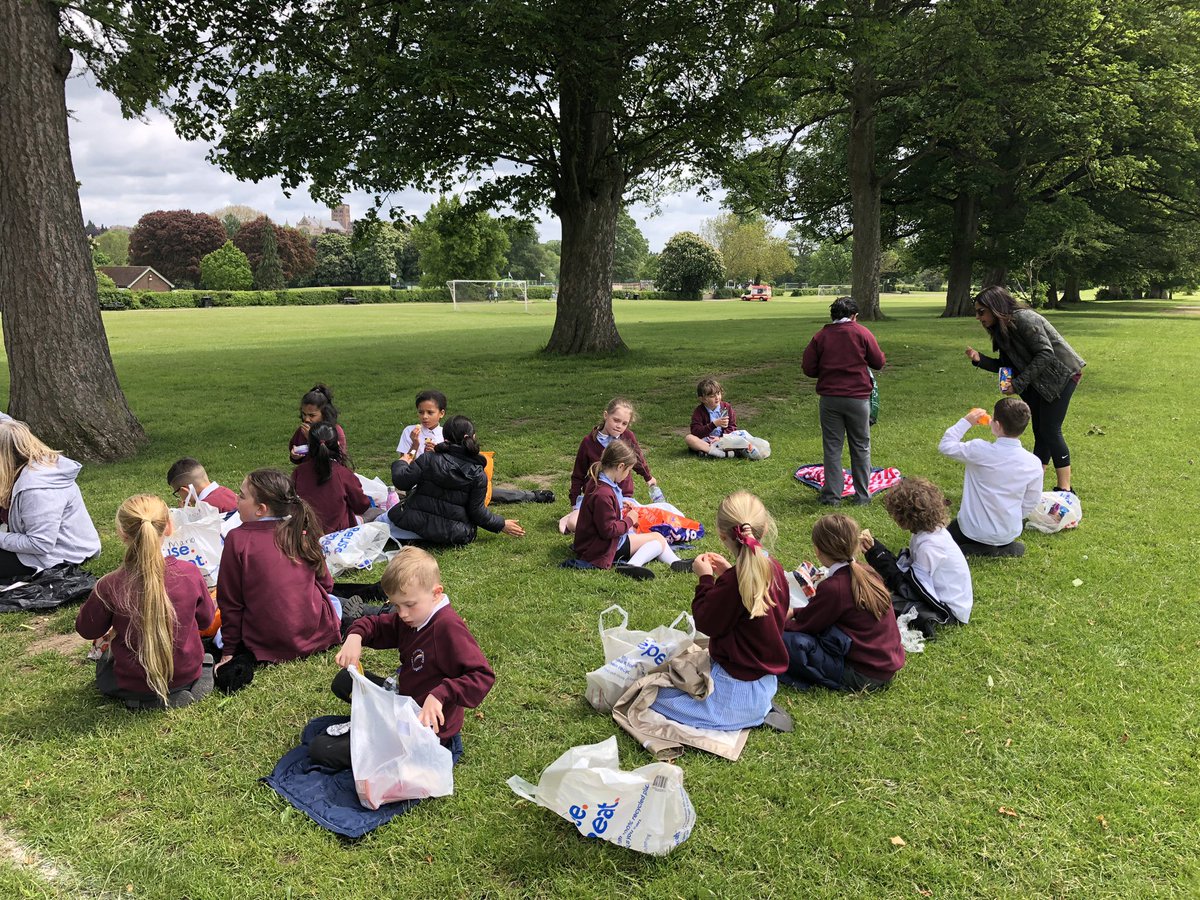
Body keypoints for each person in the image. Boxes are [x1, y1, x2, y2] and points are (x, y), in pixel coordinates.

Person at [309, 547, 495, 769]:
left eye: (409, 605)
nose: (402, 613)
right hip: (404, 698)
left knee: (322, 749)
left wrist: (441, 694)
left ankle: (385, 741)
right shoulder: (413, 617)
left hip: (423, 725)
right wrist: (355, 636)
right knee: (344, 681)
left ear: (436, 593)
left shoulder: (447, 628)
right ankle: (378, 724)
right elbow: (376, 625)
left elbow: (481, 675)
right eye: (396, 605)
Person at [649, 491, 789, 730]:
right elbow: (747, 601)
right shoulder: (773, 568)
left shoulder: (734, 582)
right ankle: (758, 710)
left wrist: (705, 579)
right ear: (764, 529)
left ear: (723, 536)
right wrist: (726, 574)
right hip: (764, 685)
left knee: (651, 695)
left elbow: (706, 621)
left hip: (735, 694)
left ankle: (745, 717)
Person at [75, 495, 215, 710]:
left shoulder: (109, 584)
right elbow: (206, 621)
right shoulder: (190, 572)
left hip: (131, 683)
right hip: (187, 673)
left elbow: (87, 629)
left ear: (122, 533)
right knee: (204, 656)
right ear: (168, 527)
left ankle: (144, 699)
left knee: (105, 661)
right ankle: (187, 687)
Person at [214, 469, 341, 692]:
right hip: (316, 632)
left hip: (266, 641)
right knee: (334, 602)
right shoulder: (300, 529)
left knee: (217, 636)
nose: (236, 499)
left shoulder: (237, 539)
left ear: (261, 509)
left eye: (242, 496)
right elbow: (327, 584)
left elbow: (231, 602)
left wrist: (228, 651)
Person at [966, 286, 1085, 493]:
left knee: (1050, 429)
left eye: (981, 311)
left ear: (995, 307)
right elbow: (1008, 365)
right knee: (1040, 431)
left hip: (1061, 376)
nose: (978, 317)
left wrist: (1018, 384)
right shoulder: (1001, 329)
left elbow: (1046, 354)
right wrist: (980, 360)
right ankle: (1034, 483)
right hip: (1038, 380)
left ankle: (1065, 490)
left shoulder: (1024, 319)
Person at [785, 514, 904, 692]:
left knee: (784, 640)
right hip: (885, 665)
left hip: (862, 675)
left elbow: (806, 626)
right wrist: (795, 612)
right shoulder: (867, 572)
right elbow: (819, 612)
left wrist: (776, 622)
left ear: (817, 550)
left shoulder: (835, 587)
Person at [859, 477, 973, 635]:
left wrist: (878, 556)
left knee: (874, 600)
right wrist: (876, 551)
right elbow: (908, 574)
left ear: (905, 517)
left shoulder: (929, 546)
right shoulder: (928, 532)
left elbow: (912, 590)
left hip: (947, 611)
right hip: (941, 598)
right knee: (874, 590)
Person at [388, 415, 524, 545]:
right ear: (471, 437)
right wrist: (501, 524)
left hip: (414, 523)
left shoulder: (428, 459)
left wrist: (401, 463)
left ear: (445, 438)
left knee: (382, 519)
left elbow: (402, 482)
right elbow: (477, 512)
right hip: (456, 534)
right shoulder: (478, 474)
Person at [802, 296, 886, 506]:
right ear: (854, 316)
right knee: (861, 446)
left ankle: (832, 496)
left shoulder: (821, 336)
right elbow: (878, 362)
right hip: (858, 398)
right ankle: (862, 496)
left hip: (830, 399)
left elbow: (808, 367)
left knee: (832, 447)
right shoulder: (862, 332)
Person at [572, 441, 692, 580]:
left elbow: (605, 514)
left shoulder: (599, 481)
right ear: (620, 466)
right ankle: (633, 564)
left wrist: (621, 505)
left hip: (596, 543)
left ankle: (675, 562)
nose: (627, 475)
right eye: (628, 471)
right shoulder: (602, 494)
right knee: (657, 539)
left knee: (655, 540)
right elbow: (608, 530)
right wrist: (630, 520)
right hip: (601, 548)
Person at [938, 399, 1043, 558]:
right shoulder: (1034, 463)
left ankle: (981, 549)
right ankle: (1002, 548)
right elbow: (1031, 500)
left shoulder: (980, 450)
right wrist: (1012, 517)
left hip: (971, 528)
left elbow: (946, 445)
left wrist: (966, 422)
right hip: (1008, 531)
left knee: (941, 543)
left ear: (997, 425)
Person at [0, 420, 100, 582]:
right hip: (41, 548)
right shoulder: (20, 472)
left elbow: (40, 544)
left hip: (62, 555)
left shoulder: (38, 489)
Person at [561, 398, 659, 534]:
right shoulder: (589, 442)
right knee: (574, 524)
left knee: (634, 527)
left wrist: (648, 477)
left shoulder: (627, 437)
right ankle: (574, 517)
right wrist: (574, 505)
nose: (619, 426)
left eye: (624, 423)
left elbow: (637, 459)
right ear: (606, 415)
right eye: (616, 420)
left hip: (622, 497)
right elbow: (578, 475)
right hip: (594, 498)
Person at [291, 423, 372, 535]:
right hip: (340, 536)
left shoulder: (299, 472)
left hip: (307, 535)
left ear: (309, 446)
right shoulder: (343, 474)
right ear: (338, 444)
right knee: (376, 512)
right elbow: (361, 506)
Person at [289, 383, 347, 464]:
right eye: (304, 414)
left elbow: (338, 459)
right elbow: (295, 450)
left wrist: (311, 438)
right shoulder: (302, 431)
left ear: (324, 414)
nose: (306, 419)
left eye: (311, 415)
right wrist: (294, 456)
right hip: (307, 472)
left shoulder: (335, 431)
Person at [685, 377, 740, 458]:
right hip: (706, 441)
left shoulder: (726, 407)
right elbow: (695, 432)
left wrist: (720, 438)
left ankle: (707, 452)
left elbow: (732, 427)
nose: (717, 397)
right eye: (712, 396)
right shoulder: (699, 411)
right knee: (689, 438)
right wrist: (714, 424)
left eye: (718, 394)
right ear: (703, 399)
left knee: (739, 436)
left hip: (722, 439)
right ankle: (720, 453)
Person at [165, 457, 238, 514]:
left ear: (185, 489)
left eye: (177, 492)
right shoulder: (226, 491)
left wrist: (186, 515)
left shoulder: (206, 506)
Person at [396, 390, 447, 461]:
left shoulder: (446, 434)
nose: (424, 416)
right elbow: (405, 464)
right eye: (421, 412)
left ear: (441, 413)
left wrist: (438, 453)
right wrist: (415, 445)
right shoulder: (409, 431)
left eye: (430, 412)